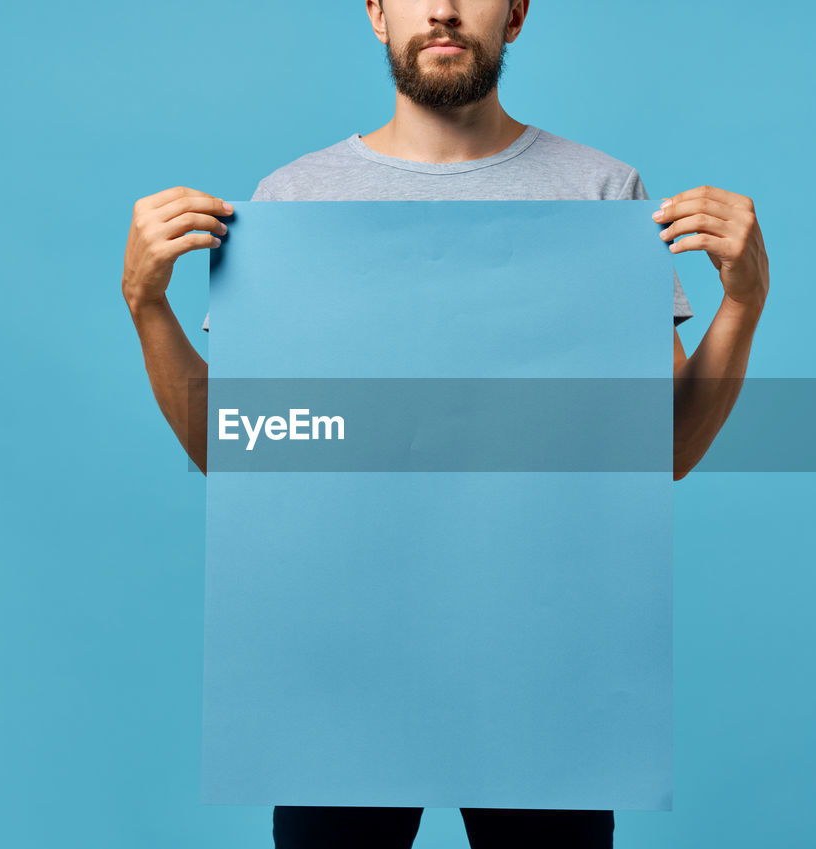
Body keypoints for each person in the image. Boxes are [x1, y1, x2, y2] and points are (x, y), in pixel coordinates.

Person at [121, 1, 770, 846]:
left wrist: (744, 305)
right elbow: (240, 454)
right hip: (340, 668)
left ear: (518, 12)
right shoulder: (293, 202)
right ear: (376, 11)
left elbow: (664, 451)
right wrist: (149, 307)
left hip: (545, 668)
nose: (443, 8)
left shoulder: (603, 194)